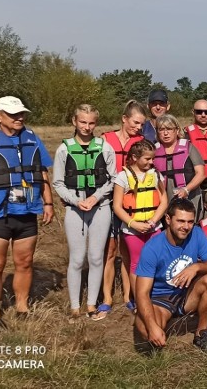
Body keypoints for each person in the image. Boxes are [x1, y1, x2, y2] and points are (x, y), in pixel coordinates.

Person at [0, 96, 54, 331]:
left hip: (27, 211)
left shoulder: (32, 138)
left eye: (21, 113)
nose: (20, 117)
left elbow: (41, 171)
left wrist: (48, 203)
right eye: (13, 114)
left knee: (25, 262)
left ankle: (22, 307)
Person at [52, 104, 117, 321]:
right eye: (83, 122)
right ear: (74, 121)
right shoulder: (64, 149)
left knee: (96, 257)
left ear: (95, 124)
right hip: (75, 208)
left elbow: (113, 179)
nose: (87, 127)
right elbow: (58, 183)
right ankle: (74, 306)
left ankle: (91, 304)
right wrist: (76, 200)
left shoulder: (105, 147)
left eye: (91, 123)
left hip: (100, 207)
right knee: (77, 258)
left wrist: (95, 197)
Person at [133, 199, 207, 353]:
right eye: (180, 221)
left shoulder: (197, 234)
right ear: (168, 219)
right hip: (161, 300)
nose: (186, 226)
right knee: (145, 331)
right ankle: (175, 323)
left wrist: (196, 267)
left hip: (186, 294)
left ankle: (201, 335)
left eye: (189, 221)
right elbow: (141, 293)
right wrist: (152, 326)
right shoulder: (152, 248)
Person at [100, 100, 146, 314]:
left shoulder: (141, 143)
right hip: (107, 202)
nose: (138, 128)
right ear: (124, 119)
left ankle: (130, 296)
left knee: (128, 251)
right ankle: (107, 297)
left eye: (141, 125)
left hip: (132, 203)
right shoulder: (105, 140)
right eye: (135, 123)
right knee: (109, 251)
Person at [112, 140, 169, 304]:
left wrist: (153, 220)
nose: (151, 162)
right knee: (136, 264)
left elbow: (164, 201)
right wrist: (133, 224)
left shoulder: (156, 175)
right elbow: (117, 207)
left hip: (154, 227)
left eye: (153, 159)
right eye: (147, 159)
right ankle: (140, 301)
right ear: (135, 157)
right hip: (132, 230)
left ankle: (155, 298)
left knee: (156, 262)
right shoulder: (122, 177)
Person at [153, 114, 206, 219]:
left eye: (169, 129)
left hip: (189, 195)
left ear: (177, 130)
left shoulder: (189, 147)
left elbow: (201, 173)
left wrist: (187, 189)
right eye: (161, 129)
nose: (165, 133)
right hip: (164, 199)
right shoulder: (153, 151)